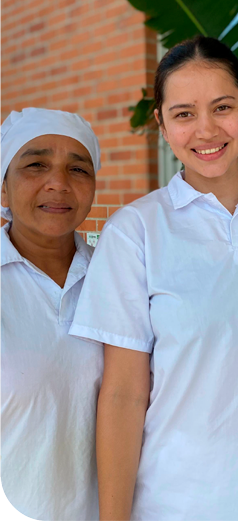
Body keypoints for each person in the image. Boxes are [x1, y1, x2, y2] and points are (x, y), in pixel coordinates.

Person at [69, 36, 238, 521]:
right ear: (161, 124)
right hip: (182, 501)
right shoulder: (137, 231)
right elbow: (123, 394)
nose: (206, 130)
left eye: (222, 107)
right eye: (184, 114)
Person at [0, 108, 103, 521]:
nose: (58, 183)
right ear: (3, 188)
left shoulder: (119, 278)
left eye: (78, 169)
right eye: (36, 165)